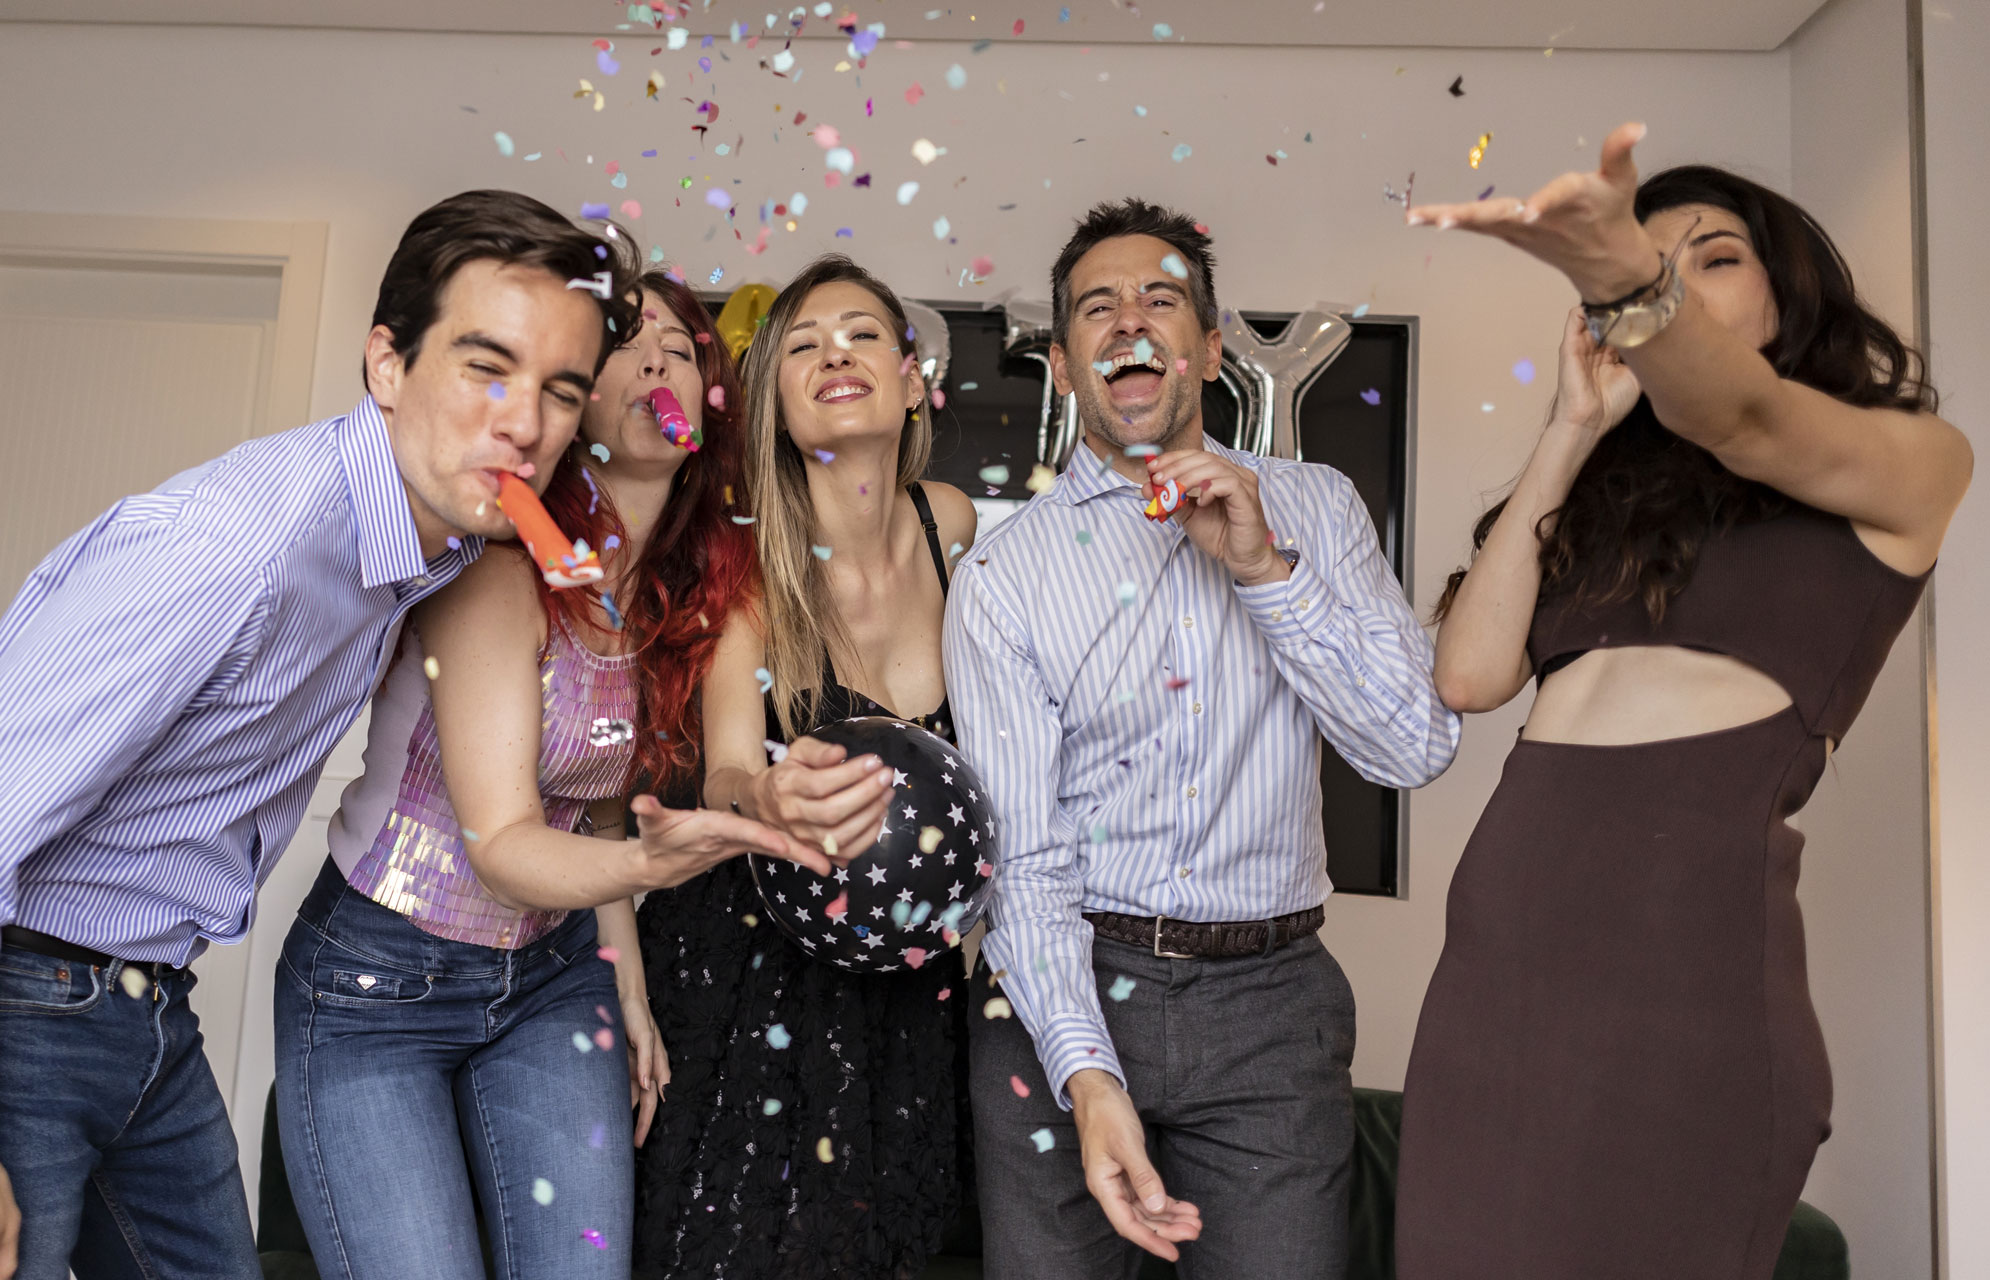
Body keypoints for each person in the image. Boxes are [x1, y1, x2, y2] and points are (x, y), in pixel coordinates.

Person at [0, 189, 804, 1280]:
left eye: (559, 390)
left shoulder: (439, 542)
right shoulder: (233, 548)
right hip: (28, 999)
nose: (524, 422)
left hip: (149, 1002)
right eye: (486, 366)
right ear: (387, 363)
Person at [1394, 128, 1972, 1280]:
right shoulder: (1609, 498)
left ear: (1787, 287)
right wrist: (1570, 429)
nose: (1677, 287)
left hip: (1684, 976)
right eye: (1653, 268)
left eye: (1712, 259)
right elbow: (1468, 674)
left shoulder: (1910, 459)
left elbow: (1742, 419)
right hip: (1501, 966)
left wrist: (1620, 273)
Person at [944, 198, 1460, 1278]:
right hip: (1062, 985)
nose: (1129, 320)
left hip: (1272, 1008)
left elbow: (1411, 747)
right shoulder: (1002, 574)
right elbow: (1023, 862)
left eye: (1160, 299)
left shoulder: (1319, 509)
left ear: (1212, 348)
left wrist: (1266, 571)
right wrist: (1086, 1073)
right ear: (1064, 362)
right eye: (1098, 306)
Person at [270, 264, 784, 1279]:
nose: (657, 364)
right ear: (575, 400)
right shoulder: (500, 565)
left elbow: (605, 814)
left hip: (552, 976)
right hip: (379, 977)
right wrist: (654, 865)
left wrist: (625, 983)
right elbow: (504, 846)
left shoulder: (692, 592)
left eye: (680, 349)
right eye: (626, 346)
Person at [633, 255, 980, 1280]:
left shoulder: (951, 524)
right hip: (750, 977)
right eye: (803, 345)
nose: (836, 353)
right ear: (772, 404)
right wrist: (767, 795)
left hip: (905, 994)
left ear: (911, 381)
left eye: (863, 333)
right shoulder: (743, 558)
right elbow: (728, 772)